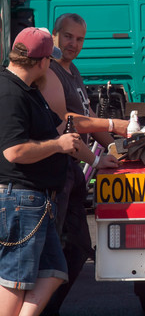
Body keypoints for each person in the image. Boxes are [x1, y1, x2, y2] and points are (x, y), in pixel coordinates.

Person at [0, 27, 118, 316]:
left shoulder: (29, 91)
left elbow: (67, 132)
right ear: (42, 62)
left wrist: (96, 160)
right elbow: (14, 152)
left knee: (53, 271)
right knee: (16, 282)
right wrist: (57, 145)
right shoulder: (10, 93)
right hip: (20, 199)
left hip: (37, 201)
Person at [39, 13, 129, 316]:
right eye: (68, 37)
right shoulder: (50, 71)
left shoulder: (73, 70)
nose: (73, 44)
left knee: (76, 251)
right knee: (49, 256)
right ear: (55, 35)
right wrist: (113, 125)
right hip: (53, 174)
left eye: (79, 39)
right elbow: (68, 122)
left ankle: (50, 308)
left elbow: (88, 118)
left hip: (73, 174)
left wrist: (117, 149)